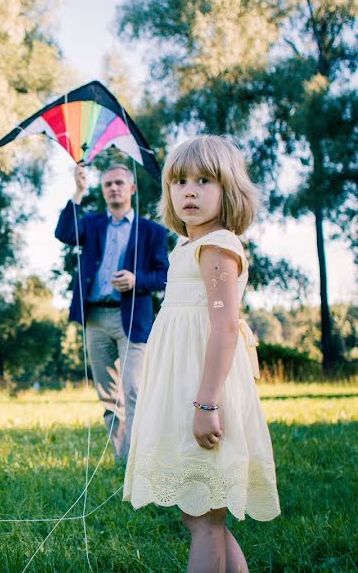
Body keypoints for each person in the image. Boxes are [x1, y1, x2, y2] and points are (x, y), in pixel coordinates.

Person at [123, 135, 280, 571]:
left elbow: (224, 326)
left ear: (229, 189)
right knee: (204, 516)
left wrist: (206, 403)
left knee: (203, 518)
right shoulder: (187, 247)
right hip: (188, 388)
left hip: (203, 390)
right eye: (179, 181)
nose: (189, 191)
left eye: (204, 180)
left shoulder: (218, 246)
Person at [54, 163, 169, 463]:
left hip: (131, 317)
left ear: (132, 188)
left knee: (133, 389)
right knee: (108, 395)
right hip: (95, 317)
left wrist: (136, 280)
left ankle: (139, 460)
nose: (113, 188)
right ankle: (122, 460)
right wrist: (78, 191)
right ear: (103, 191)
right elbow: (64, 232)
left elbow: (164, 276)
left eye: (119, 183)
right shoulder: (91, 225)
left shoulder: (152, 231)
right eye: (107, 185)